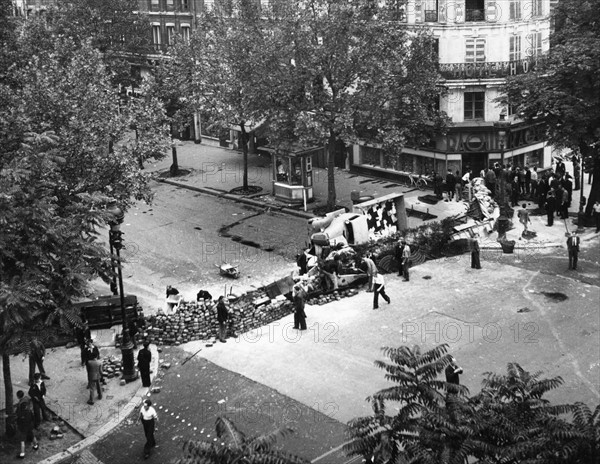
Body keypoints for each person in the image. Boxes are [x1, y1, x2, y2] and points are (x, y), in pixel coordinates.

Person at [15, 390, 38, 459]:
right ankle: (35, 446)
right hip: (30, 423)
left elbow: (18, 415)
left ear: (18, 396)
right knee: (32, 434)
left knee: (22, 439)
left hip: (23, 425)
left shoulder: (20, 407)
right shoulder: (27, 400)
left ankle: (22, 454)